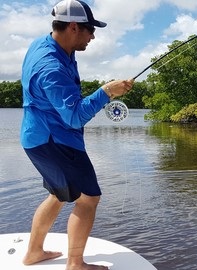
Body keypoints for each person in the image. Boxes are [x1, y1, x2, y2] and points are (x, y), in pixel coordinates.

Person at [20, 1, 133, 269]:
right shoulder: (51, 67)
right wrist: (106, 91)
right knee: (88, 198)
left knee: (59, 195)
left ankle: (34, 252)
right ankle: (75, 264)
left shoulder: (47, 44)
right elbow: (73, 117)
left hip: (37, 138)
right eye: (90, 30)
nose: (92, 36)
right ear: (73, 27)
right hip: (55, 142)